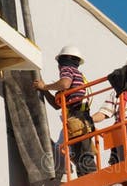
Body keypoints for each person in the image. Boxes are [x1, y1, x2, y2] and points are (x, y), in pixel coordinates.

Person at [33, 45, 96, 177]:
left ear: (62, 61)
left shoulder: (68, 70)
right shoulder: (80, 78)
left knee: (83, 154)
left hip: (77, 118)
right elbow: (57, 105)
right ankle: (86, 180)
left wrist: (44, 86)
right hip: (83, 120)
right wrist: (44, 90)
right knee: (81, 153)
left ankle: (90, 180)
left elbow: (64, 83)